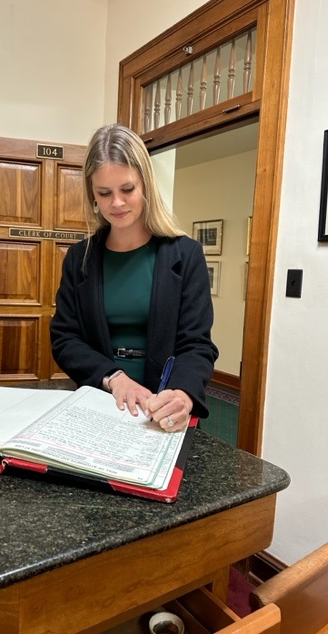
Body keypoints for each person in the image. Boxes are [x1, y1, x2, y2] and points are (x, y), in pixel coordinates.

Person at [50, 124, 218, 432]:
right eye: (104, 193)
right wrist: (115, 378)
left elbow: (197, 345)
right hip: (99, 405)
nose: (116, 203)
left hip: (160, 412)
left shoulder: (186, 254)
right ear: (93, 197)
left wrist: (182, 395)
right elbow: (65, 339)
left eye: (127, 189)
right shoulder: (80, 258)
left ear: (145, 186)